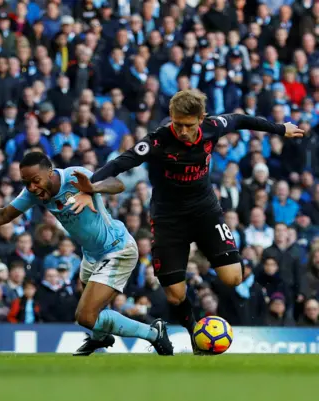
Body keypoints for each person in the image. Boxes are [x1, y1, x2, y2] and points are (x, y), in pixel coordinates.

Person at [73, 89, 304, 354]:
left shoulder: (213, 126)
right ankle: (195, 335)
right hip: (168, 219)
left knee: (233, 277)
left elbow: (241, 119)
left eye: (188, 125)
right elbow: (122, 162)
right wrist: (90, 184)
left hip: (205, 211)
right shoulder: (158, 140)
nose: (182, 130)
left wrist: (279, 128)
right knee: (175, 295)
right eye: (178, 124)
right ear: (171, 116)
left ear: (201, 118)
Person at [0, 151, 173, 356]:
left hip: (117, 248)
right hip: (91, 254)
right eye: (26, 182)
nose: (31, 187)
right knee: (93, 314)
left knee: (85, 316)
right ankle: (101, 337)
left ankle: (154, 333)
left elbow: (117, 184)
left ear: (49, 173)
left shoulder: (75, 176)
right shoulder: (34, 193)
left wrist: (92, 188)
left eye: (35, 180)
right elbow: (5, 214)